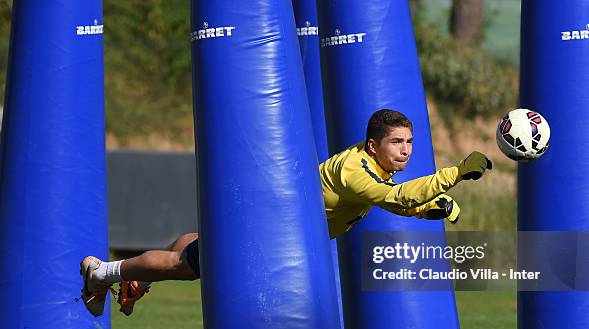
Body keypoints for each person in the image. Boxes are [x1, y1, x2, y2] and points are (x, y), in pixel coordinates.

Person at [80, 109, 492, 317]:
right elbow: (397, 197)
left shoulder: (375, 172)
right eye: (397, 142)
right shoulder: (356, 170)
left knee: (192, 251)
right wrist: (453, 175)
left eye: (409, 142)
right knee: (184, 266)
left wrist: (425, 212)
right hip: (266, 233)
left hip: (271, 226)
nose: (405, 149)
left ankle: (134, 280)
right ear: (372, 145)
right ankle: (102, 273)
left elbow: (393, 199)